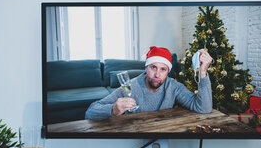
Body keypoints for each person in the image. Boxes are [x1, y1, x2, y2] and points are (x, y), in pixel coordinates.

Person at [85, 46, 213, 120]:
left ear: (168, 71)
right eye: (153, 67)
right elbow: (90, 112)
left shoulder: (173, 86)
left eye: (163, 69)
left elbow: (204, 108)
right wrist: (113, 110)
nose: (157, 74)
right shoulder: (130, 87)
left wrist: (202, 72)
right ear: (146, 68)